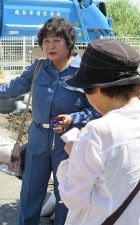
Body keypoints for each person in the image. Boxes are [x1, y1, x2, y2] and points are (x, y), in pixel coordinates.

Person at [0, 17, 99, 225]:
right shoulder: (39, 68)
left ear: (69, 42)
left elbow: (96, 109)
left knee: (66, 194)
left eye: (56, 40)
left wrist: (74, 118)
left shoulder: (84, 72)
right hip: (37, 138)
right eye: (46, 41)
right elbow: (14, 87)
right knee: (30, 192)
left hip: (68, 142)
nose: (50, 46)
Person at [57, 39, 140, 225]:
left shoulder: (98, 131)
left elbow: (73, 198)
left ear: (99, 88)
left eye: (86, 88)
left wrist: (73, 153)